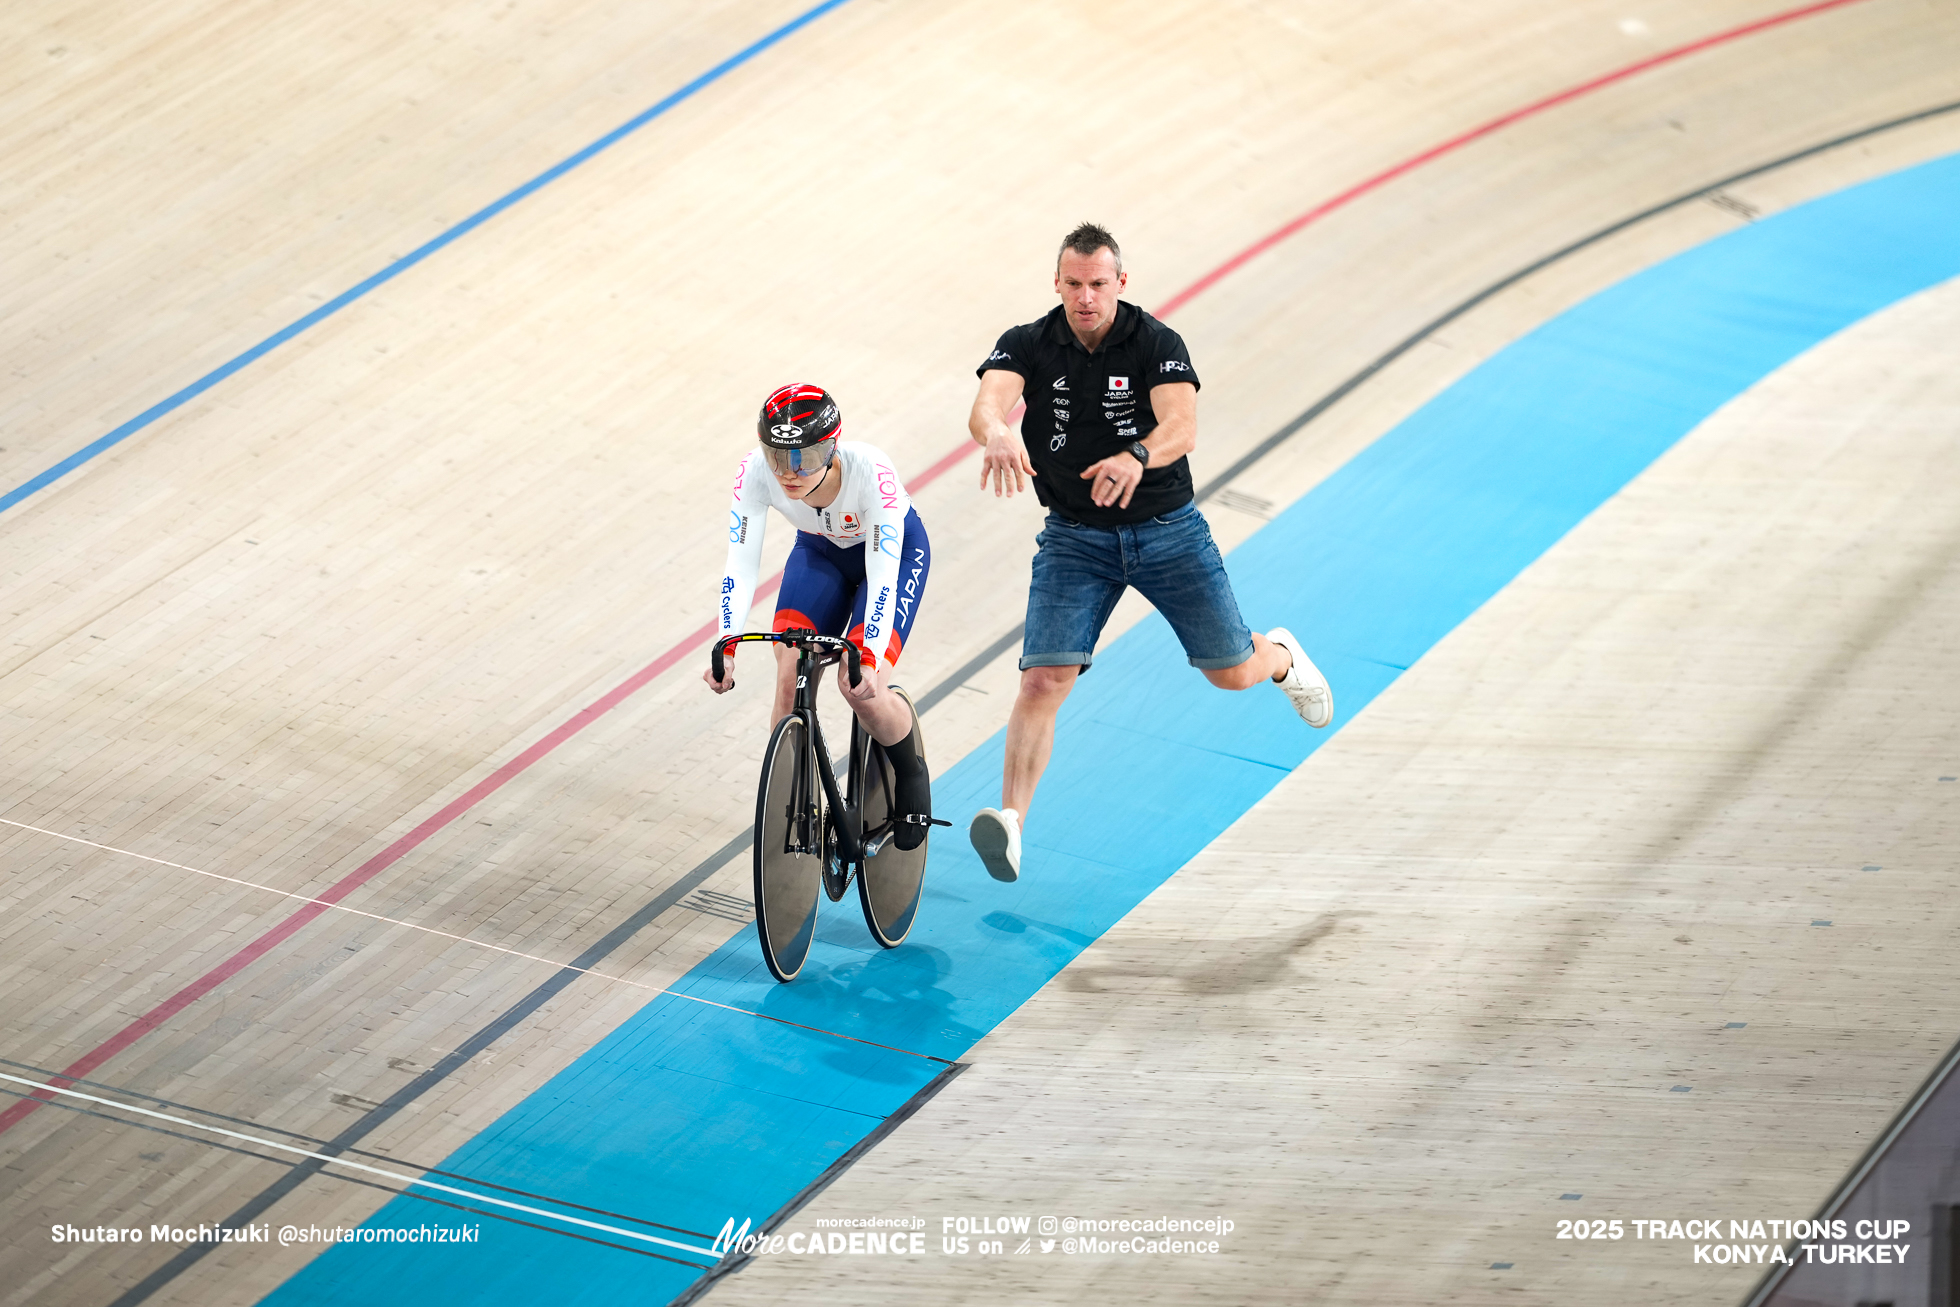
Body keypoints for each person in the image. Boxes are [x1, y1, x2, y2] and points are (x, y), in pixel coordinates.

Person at [964, 223, 1333, 882]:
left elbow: (1182, 426)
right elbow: (989, 403)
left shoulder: (1156, 342)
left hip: (1166, 532)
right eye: (1073, 284)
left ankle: (1279, 655)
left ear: (1120, 283)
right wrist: (996, 431)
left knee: (1230, 671)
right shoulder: (1029, 342)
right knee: (1043, 679)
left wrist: (1138, 455)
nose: (1085, 296)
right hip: (1075, 539)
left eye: (1098, 284)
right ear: (1057, 283)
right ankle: (1013, 822)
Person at [706, 384, 934, 848]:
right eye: (777, 456)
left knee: (857, 687)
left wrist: (867, 658)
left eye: (804, 457)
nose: (789, 473)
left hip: (892, 555)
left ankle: (911, 772)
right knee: (788, 665)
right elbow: (741, 562)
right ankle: (788, 803)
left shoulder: (871, 471)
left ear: (831, 448)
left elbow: (883, 574)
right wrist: (726, 644)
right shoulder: (755, 471)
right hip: (820, 553)